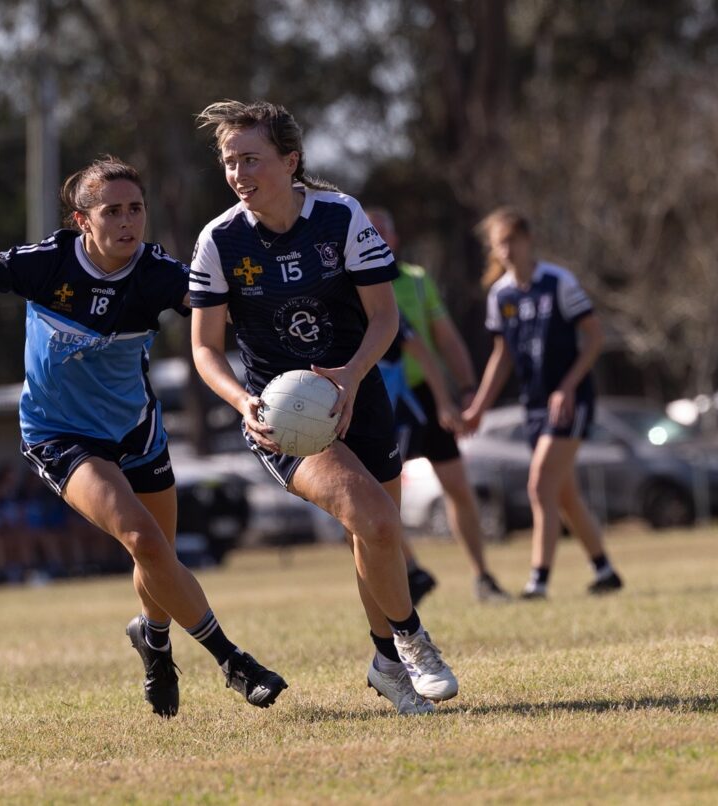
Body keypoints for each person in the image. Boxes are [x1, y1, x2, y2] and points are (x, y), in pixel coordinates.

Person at [0, 156, 287, 718]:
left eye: (135, 209)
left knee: (156, 558)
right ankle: (232, 661)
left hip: (137, 431)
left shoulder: (160, 274)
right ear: (81, 220)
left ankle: (155, 642)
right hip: (60, 435)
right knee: (143, 540)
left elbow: (229, 315)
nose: (127, 221)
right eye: (112, 211)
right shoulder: (45, 264)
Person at [190, 100, 458, 716]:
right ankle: (413, 641)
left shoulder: (340, 216)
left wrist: (351, 375)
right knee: (379, 520)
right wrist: (243, 402)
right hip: (282, 419)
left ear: (290, 161)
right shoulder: (220, 240)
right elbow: (204, 350)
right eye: (229, 162)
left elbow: (386, 317)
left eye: (250, 159)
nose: (237, 173)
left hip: (358, 395)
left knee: (376, 535)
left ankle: (385, 666)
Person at [462, 206, 623, 599]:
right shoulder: (500, 295)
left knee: (539, 486)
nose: (505, 251)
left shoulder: (558, 282)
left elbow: (595, 338)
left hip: (570, 402)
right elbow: (502, 356)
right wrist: (479, 406)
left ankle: (539, 580)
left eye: (510, 241)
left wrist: (567, 386)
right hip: (533, 404)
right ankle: (605, 571)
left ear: (527, 239)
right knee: (563, 494)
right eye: (499, 245)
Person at [365, 206, 511, 603]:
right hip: (379, 401)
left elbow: (441, 341)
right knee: (375, 497)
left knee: (457, 487)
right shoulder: (351, 283)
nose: (375, 239)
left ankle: (483, 577)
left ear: (394, 239)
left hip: (426, 397)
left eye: (381, 232)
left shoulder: (415, 281)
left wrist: (462, 389)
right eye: (367, 232)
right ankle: (411, 571)